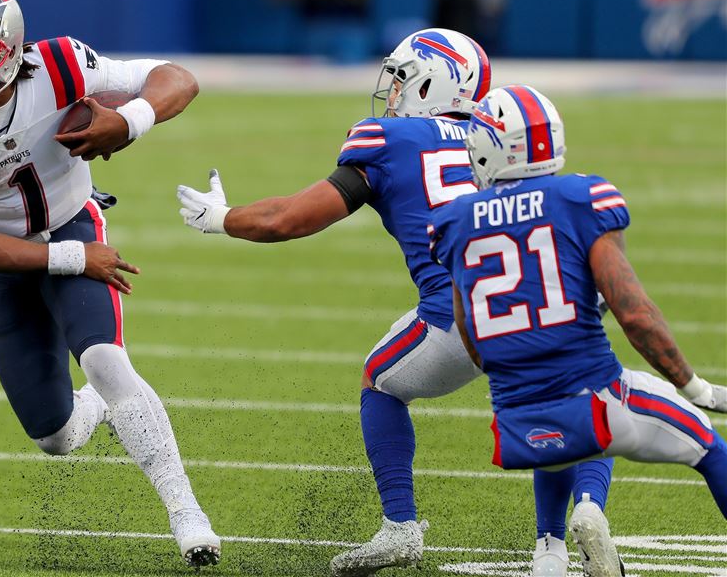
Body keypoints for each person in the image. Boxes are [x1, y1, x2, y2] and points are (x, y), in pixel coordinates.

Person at [175, 29, 614, 576]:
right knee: (573, 399)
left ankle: (400, 528)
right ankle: (561, 538)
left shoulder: (387, 140)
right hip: (547, 296)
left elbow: (287, 220)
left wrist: (221, 218)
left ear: (433, 80)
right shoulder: (494, 132)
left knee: (379, 380)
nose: (393, 88)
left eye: (403, 76)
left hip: (460, 316)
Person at [0, 0, 219, 567]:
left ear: (11, 51)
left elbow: (176, 78)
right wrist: (72, 260)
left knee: (106, 359)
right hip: (1, 252)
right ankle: (101, 405)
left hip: (72, 220)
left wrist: (129, 123)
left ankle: (186, 513)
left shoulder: (62, 65)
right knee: (55, 437)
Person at [429, 85, 727, 574]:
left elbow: (473, 339)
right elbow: (635, 315)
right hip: (597, 402)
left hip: (516, 418)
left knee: (561, 422)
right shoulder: (582, 197)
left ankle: (549, 552)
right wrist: (694, 385)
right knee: (707, 445)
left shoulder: (454, 222)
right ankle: (588, 506)